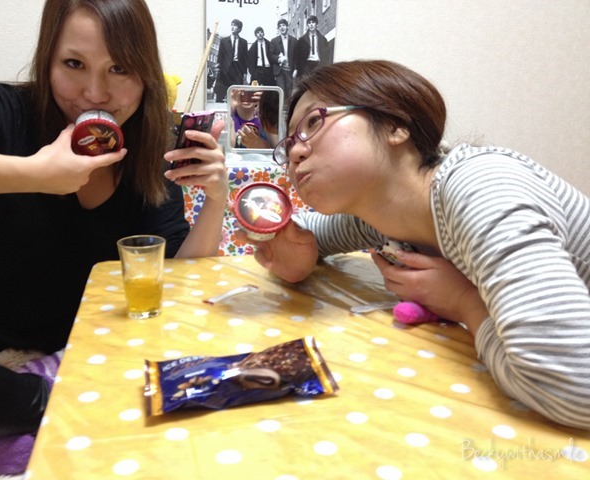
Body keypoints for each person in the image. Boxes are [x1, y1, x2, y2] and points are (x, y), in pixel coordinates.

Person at [0, 0, 228, 471]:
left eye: (119, 68)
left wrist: (216, 199)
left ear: (146, 74)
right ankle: (61, 399)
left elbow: (178, 279)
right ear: (47, 61)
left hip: (84, 342)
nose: (96, 93)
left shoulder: (150, 150)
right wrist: (33, 174)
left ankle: (63, 395)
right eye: (74, 64)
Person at [237, 59, 590, 430]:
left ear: (395, 125)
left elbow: (574, 387)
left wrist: (464, 302)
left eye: (313, 122)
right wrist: (301, 257)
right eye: (289, 143)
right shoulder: (377, 217)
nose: (295, 153)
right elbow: (308, 234)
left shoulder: (479, 186)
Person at [214, 19, 249, 103]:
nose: (232, 27)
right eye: (232, 25)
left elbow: (245, 58)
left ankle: (235, 107)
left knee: (237, 93)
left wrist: (245, 72)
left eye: (235, 25)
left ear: (239, 29)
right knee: (222, 91)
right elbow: (220, 55)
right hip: (225, 69)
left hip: (238, 69)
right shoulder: (224, 41)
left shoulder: (244, 42)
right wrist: (218, 68)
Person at [294, 15, 331, 81]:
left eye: (313, 22)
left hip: (319, 64)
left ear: (316, 24)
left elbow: (326, 55)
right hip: (307, 65)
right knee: (307, 83)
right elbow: (297, 56)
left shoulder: (323, 39)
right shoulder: (302, 40)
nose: (311, 25)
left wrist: (327, 67)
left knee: (318, 84)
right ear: (307, 25)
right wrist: (296, 69)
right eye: (309, 23)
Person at [270, 19, 298, 96]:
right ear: (278, 29)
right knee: (281, 91)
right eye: (280, 26)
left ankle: (288, 104)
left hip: (290, 70)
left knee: (289, 91)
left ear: (287, 27)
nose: (282, 27)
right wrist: (279, 59)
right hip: (280, 71)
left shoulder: (294, 40)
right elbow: (271, 55)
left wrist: (296, 69)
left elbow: (296, 57)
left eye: (283, 25)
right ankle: (281, 104)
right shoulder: (274, 41)